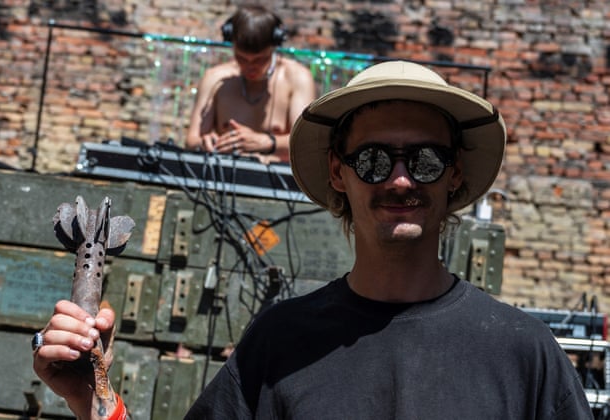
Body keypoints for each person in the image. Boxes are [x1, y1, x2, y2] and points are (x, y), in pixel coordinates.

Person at [32, 61, 594, 419]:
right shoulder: (280, 343)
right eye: (373, 159)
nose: (400, 179)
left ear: (453, 174)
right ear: (337, 172)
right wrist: (92, 397)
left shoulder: (522, 353)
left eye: (424, 159)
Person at [185, 4, 316, 163]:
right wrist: (205, 143)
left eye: (260, 60)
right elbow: (191, 141)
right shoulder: (214, 79)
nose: (250, 66)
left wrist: (267, 142)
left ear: (273, 48)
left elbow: (306, 144)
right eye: (241, 58)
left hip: (278, 181)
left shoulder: (297, 78)